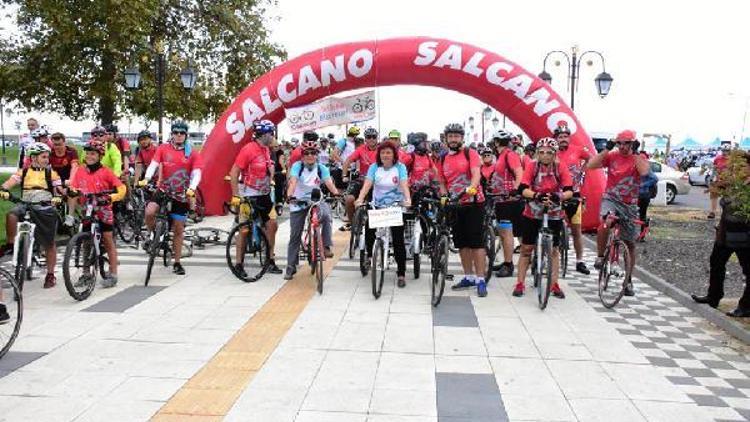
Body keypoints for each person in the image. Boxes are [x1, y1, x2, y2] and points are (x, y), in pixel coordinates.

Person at [588, 130, 650, 296]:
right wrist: (606, 149)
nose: (622, 147)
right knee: (606, 221)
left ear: (633, 143)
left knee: (629, 244)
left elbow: (644, 172)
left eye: (626, 143)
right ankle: (601, 256)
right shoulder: (613, 156)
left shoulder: (638, 157)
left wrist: (636, 153)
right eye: (619, 143)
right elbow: (591, 165)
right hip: (611, 198)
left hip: (629, 204)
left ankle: (628, 280)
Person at [137, 120, 203, 276]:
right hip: (164, 189)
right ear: (172, 134)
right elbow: (153, 164)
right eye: (176, 132)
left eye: (182, 133)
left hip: (181, 193)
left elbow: (197, 172)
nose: (178, 135)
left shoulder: (191, 152)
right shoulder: (163, 148)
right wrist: (146, 178)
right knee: (149, 212)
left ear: (186, 135)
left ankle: (177, 262)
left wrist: (192, 188)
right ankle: (154, 235)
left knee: (178, 228)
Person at [512, 138, 573, 298]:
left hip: (554, 211)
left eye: (549, 153)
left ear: (554, 154)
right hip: (533, 211)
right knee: (526, 249)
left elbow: (569, 190)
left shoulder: (560, 167)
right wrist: (536, 195)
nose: (545, 156)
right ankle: (520, 283)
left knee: (553, 251)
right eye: (541, 152)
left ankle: (554, 284)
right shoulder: (532, 165)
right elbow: (523, 188)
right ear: (537, 153)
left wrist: (558, 196)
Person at [692, 151, 750, 317]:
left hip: (744, 234)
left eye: (743, 166)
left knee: (747, 269)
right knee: (716, 262)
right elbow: (716, 193)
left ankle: (746, 305)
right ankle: (713, 296)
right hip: (725, 231)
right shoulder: (734, 183)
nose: (739, 169)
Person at [0, 143, 63, 289]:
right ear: (33, 157)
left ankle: (50, 274)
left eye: (48, 157)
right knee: (11, 214)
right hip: (26, 203)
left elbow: (58, 188)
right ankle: (10, 243)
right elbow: (11, 181)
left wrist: (58, 196)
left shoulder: (51, 173)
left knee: (49, 242)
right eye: (43, 157)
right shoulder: (24, 172)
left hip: (44, 206)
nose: (47, 160)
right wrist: (3, 189)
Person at [437, 123, 488, 297]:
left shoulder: (470, 153)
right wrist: (444, 195)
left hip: (474, 203)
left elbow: (476, 174)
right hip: (455, 204)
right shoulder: (443, 158)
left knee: (476, 242)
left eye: (456, 136)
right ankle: (469, 276)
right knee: (461, 242)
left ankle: (481, 279)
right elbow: (442, 181)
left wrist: (472, 187)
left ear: (462, 138)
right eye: (450, 136)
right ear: (446, 138)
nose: (453, 139)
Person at [67, 140, 126, 288]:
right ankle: (86, 273)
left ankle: (113, 273)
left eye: (93, 154)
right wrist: (71, 191)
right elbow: (73, 187)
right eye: (87, 153)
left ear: (100, 156)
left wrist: (112, 197)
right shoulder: (80, 170)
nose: (89, 156)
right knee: (85, 240)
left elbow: (121, 189)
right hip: (87, 208)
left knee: (107, 238)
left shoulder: (106, 171)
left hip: (103, 209)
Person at [229, 119, 283, 276]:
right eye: (271, 133)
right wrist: (235, 195)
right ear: (264, 134)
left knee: (272, 225)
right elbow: (234, 172)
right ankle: (239, 264)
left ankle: (269, 259)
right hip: (248, 195)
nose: (273, 135)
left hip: (264, 195)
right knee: (244, 229)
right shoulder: (248, 149)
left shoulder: (266, 149)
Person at [355, 141, 412, 287]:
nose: (385, 155)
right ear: (379, 155)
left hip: (395, 207)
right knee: (369, 230)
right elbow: (367, 184)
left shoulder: (400, 167)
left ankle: (401, 273)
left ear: (394, 154)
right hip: (378, 206)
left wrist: (407, 199)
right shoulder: (374, 168)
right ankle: (369, 256)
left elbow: (404, 184)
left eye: (388, 152)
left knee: (398, 239)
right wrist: (360, 198)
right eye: (382, 153)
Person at [284, 140, 340, 280]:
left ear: (317, 155)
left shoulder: (322, 168)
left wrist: (337, 194)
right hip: (298, 201)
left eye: (313, 153)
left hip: (316, 199)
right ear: (302, 156)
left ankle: (326, 246)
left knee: (327, 215)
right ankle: (291, 267)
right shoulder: (297, 166)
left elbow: (328, 183)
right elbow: (293, 182)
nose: (310, 156)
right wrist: (290, 195)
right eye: (307, 153)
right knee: (295, 235)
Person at [555, 123, 593, 275]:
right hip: (557, 193)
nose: (563, 139)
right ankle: (550, 257)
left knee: (576, 229)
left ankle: (580, 261)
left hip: (575, 193)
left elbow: (591, 158)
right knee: (554, 227)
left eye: (565, 136)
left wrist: (583, 171)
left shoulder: (577, 150)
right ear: (556, 139)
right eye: (560, 137)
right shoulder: (553, 152)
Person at [487, 130, 524, 278]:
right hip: (501, 199)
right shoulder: (501, 156)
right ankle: (506, 261)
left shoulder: (510, 155)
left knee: (509, 232)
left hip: (510, 200)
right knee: (504, 233)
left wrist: (515, 189)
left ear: (496, 142)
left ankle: (509, 265)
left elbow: (519, 173)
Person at [341, 127, 379, 232]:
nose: (371, 139)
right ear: (365, 139)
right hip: (362, 179)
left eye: (374, 137)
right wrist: (344, 175)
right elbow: (348, 161)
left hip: (377, 183)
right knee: (349, 199)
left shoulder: (381, 150)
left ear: (377, 138)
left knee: (375, 207)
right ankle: (352, 223)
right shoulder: (361, 149)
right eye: (368, 137)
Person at [330, 126, 360, 192]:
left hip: (352, 171)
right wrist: (343, 162)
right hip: (341, 169)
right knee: (340, 190)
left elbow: (357, 157)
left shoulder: (356, 144)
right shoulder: (343, 141)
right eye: (355, 135)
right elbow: (334, 153)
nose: (356, 137)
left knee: (351, 191)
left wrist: (358, 169)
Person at [708, 142, 732, 219]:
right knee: (714, 194)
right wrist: (712, 178)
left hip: (728, 181)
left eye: (727, 151)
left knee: (727, 198)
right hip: (718, 180)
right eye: (723, 150)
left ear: (729, 151)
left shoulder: (732, 159)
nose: (725, 152)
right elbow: (714, 169)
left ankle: (726, 214)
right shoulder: (718, 158)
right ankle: (713, 212)